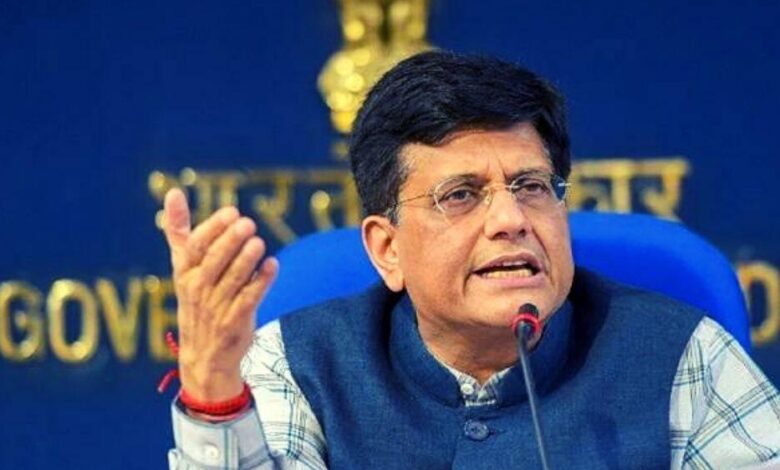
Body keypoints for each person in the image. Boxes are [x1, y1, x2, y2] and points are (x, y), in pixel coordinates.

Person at [163, 51, 780, 469]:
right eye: (460, 195)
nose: (511, 219)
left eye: (532, 186)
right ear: (387, 248)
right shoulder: (298, 364)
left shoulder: (683, 355)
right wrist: (214, 394)